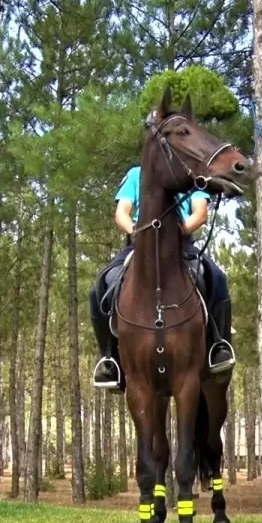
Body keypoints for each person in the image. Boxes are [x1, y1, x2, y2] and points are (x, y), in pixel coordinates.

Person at [89, 156, 234, 391]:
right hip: (140, 244)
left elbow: (200, 212)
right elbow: (122, 212)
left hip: (181, 245)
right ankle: (109, 357)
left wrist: (177, 232)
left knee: (216, 277)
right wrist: (136, 232)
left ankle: (218, 345)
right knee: (100, 288)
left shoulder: (190, 176)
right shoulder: (137, 174)